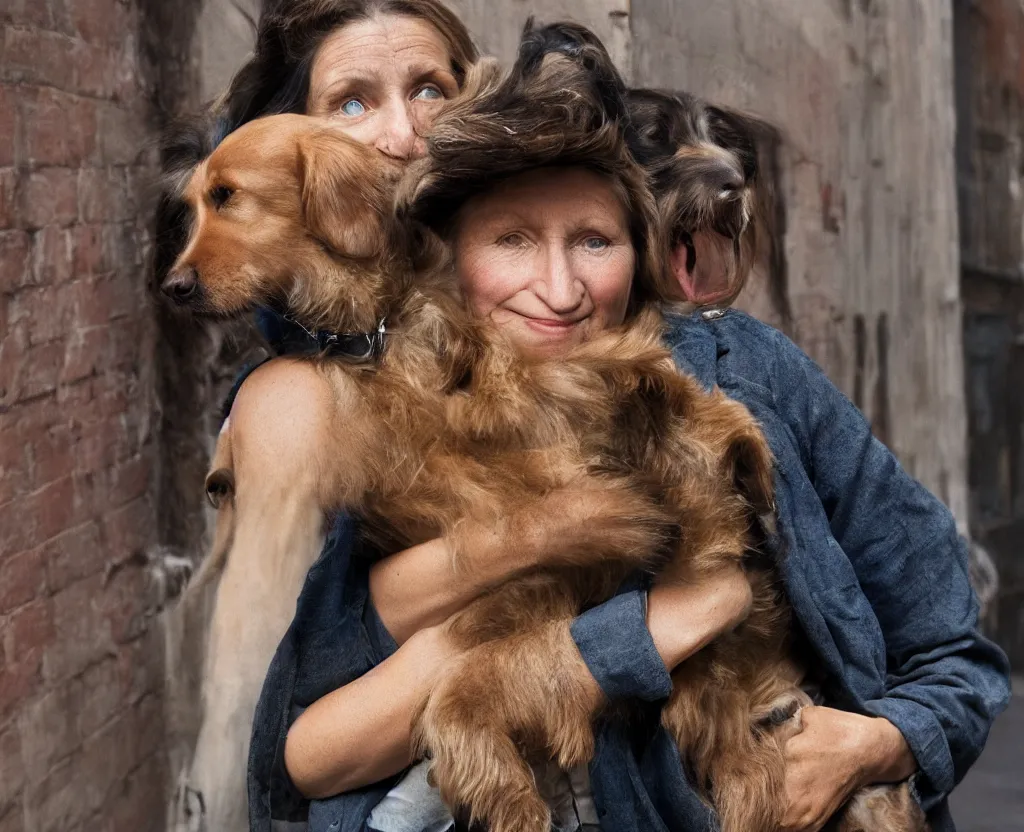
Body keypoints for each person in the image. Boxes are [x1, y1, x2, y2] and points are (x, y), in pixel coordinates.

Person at [181, 8, 1011, 832]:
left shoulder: (739, 370)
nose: (560, 287)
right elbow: (296, 751)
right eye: (510, 240)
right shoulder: (359, 420)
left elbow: (953, 651)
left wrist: (873, 746)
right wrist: (622, 614)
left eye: (594, 242)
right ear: (451, 250)